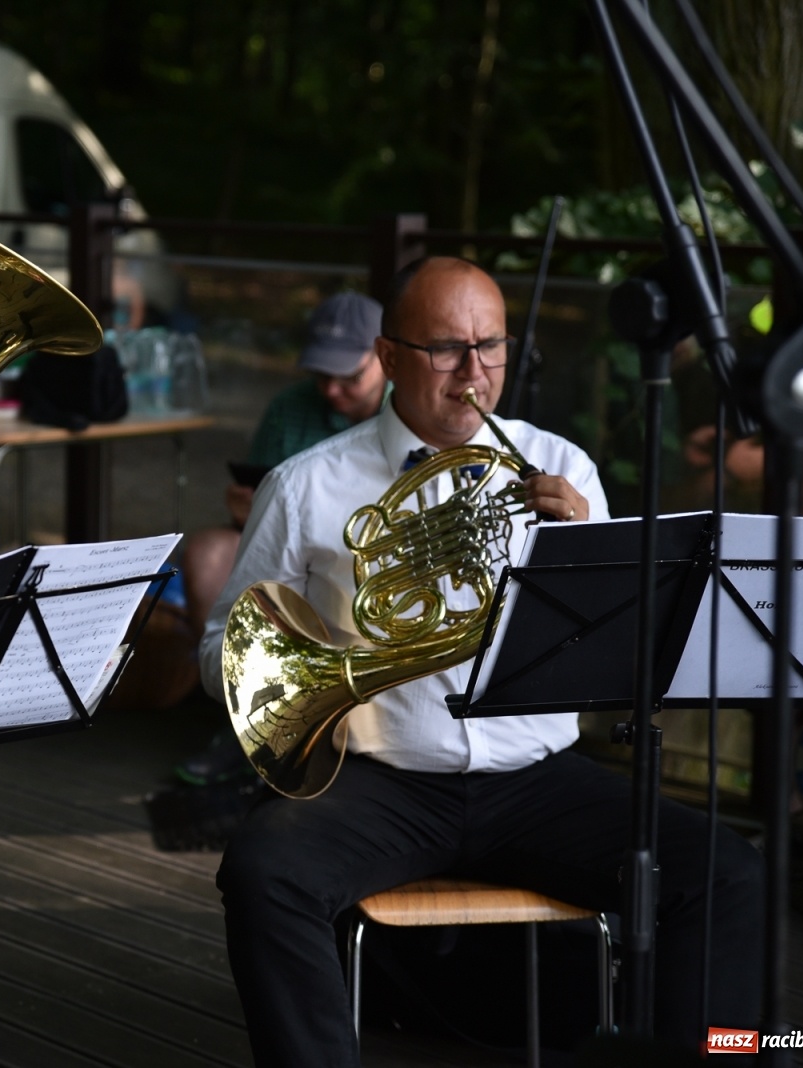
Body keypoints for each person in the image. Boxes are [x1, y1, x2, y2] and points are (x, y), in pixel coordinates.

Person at [201, 256, 761, 1064]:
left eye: (490, 347)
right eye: (447, 350)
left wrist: (581, 549)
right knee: (264, 872)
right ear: (389, 356)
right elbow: (226, 645)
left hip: (537, 779)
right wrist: (301, 677)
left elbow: (622, 649)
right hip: (382, 780)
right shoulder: (305, 485)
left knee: (726, 873)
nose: (475, 373)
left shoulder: (565, 471)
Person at [171, 292, 386, 782]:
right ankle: (243, 719)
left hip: (364, 559)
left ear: (385, 358)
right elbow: (256, 523)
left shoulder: (406, 415)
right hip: (294, 552)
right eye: (320, 375)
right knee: (207, 553)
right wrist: (246, 510)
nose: (331, 390)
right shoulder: (289, 408)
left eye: (349, 377)